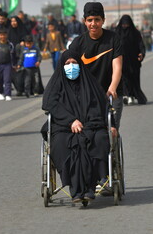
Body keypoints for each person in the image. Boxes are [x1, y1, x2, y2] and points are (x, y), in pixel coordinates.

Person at [41, 50, 115, 203]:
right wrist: (71, 121)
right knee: (62, 144)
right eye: (67, 64)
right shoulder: (56, 85)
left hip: (91, 125)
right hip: (64, 127)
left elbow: (103, 106)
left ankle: (90, 187)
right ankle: (76, 190)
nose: (71, 66)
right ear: (61, 66)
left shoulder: (91, 85)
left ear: (81, 65)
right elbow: (50, 104)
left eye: (74, 63)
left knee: (99, 139)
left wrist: (111, 125)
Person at [69, 2, 124, 129]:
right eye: (90, 20)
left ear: (103, 20)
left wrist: (112, 87)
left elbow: (117, 66)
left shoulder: (113, 39)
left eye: (97, 20)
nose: (93, 24)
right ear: (84, 21)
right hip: (87, 95)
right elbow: (72, 70)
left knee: (111, 130)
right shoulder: (77, 43)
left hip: (111, 92)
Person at [115, 15, 147, 105]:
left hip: (133, 61)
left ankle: (133, 96)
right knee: (124, 79)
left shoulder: (135, 33)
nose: (125, 26)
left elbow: (141, 44)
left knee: (134, 79)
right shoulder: (117, 32)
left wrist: (142, 53)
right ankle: (127, 95)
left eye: (127, 24)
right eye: (123, 24)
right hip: (121, 60)